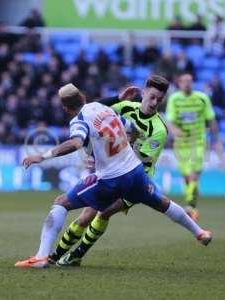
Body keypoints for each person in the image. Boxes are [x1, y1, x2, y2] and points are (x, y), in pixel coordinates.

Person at [15, 83, 212, 268]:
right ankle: (200, 232)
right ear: (83, 96)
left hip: (111, 178)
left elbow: (75, 143)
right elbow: (131, 128)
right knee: (162, 203)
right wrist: (118, 147)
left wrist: (42, 156)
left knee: (62, 202)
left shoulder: (79, 121)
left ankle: (42, 256)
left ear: (65, 109)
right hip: (135, 173)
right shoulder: (105, 109)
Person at [50, 75, 171, 266]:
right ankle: (55, 256)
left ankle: (76, 254)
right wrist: (117, 98)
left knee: (104, 212)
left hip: (137, 178)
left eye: (159, 99)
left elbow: (141, 159)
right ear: (144, 92)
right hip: (111, 172)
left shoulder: (160, 129)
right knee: (84, 217)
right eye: (152, 97)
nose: (155, 102)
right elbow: (91, 110)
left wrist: (102, 155)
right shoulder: (125, 107)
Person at [166, 73, 218, 221]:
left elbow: (211, 119)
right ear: (179, 83)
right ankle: (192, 202)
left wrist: (216, 139)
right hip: (181, 144)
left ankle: (190, 206)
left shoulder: (202, 98)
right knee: (187, 177)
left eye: (189, 81)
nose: (187, 84)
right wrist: (174, 130)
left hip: (198, 141)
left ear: (192, 82)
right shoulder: (175, 99)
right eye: (184, 81)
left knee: (193, 175)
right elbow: (169, 121)